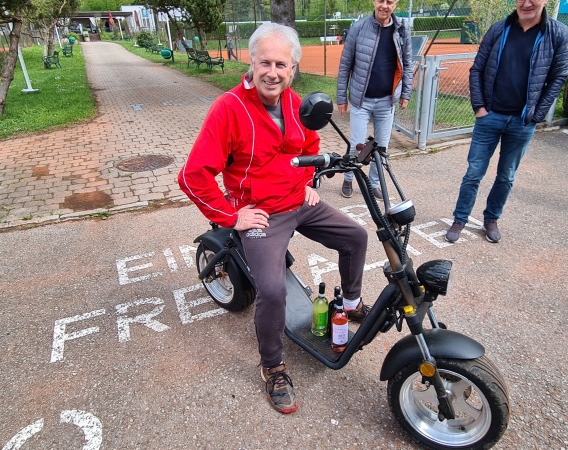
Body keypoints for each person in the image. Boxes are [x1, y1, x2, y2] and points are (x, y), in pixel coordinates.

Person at [177, 23, 370, 415]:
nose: (273, 72)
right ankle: (272, 367)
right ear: (252, 60)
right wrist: (232, 215)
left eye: (282, 64)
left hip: (298, 199)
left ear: (293, 68)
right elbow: (192, 175)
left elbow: (310, 145)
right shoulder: (228, 109)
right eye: (265, 62)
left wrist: (307, 180)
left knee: (356, 236)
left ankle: (350, 302)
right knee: (272, 290)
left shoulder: (296, 103)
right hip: (262, 215)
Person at [444, 0, 568, 244]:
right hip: (490, 116)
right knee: (473, 173)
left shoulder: (557, 33)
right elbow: (477, 69)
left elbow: (558, 76)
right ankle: (460, 218)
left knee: (506, 176)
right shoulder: (499, 29)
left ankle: (491, 218)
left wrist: (537, 114)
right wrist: (480, 108)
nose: (527, 3)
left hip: (522, 122)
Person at [336, 0, 413, 200]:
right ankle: (348, 178)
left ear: (395, 4)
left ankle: (373, 183)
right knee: (357, 144)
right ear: (374, 1)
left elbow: (407, 62)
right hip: (362, 100)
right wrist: (341, 97)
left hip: (387, 101)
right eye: (381, 0)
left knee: (381, 147)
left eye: (390, 2)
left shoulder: (402, 30)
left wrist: (405, 93)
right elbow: (345, 64)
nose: (384, 6)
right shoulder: (359, 28)